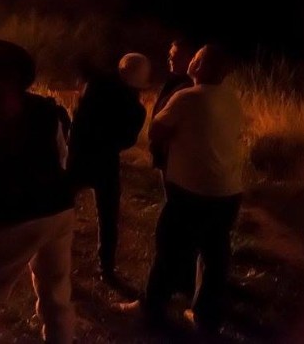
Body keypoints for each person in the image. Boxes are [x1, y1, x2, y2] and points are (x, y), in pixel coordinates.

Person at [0, 40, 76, 344]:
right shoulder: (49, 108)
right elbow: (63, 157)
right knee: (56, 291)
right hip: (59, 208)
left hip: (16, 215)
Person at [135, 44, 245, 334]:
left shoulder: (186, 98)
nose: (191, 61)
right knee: (215, 254)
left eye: (196, 58)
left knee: (168, 248)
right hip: (228, 192)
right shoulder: (232, 98)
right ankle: (206, 316)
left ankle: (153, 308)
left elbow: (155, 131)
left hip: (192, 191)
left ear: (199, 66)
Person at [67, 53, 149, 281]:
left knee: (62, 209)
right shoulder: (136, 110)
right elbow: (126, 141)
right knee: (108, 216)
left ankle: (52, 254)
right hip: (106, 162)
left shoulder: (95, 86)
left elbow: (77, 119)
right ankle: (107, 267)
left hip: (78, 157)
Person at [150, 39, 197, 171]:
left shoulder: (189, 88)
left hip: (175, 155)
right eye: (171, 55)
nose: (171, 59)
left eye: (177, 56)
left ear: (190, 59)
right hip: (164, 152)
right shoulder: (172, 81)